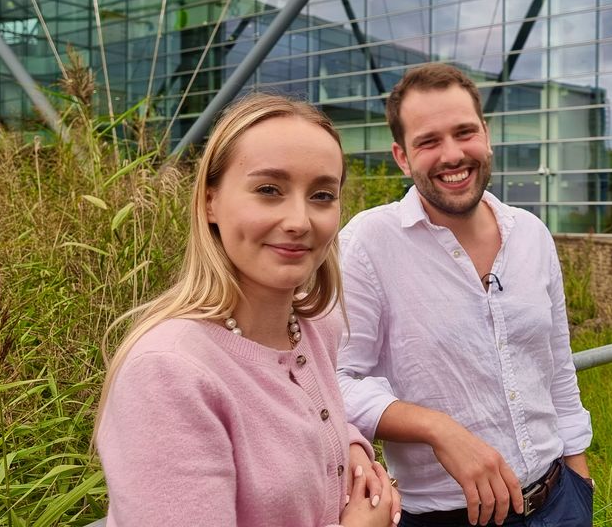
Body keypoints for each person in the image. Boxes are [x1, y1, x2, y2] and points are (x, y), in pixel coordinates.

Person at [95, 94, 401, 527]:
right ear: (210, 202)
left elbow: (307, 422)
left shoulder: (314, 327)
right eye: (268, 190)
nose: (299, 220)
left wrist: (351, 449)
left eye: (321, 195)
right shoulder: (169, 373)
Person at [337, 64, 594, 527]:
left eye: (464, 132)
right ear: (401, 156)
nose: (452, 154)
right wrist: (437, 429)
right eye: (429, 142)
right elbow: (335, 380)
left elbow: (557, 366)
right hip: (448, 517)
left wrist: (579, 475)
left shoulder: (532, 234)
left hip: (559, 502)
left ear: (486, 134)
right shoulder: (368, 243)